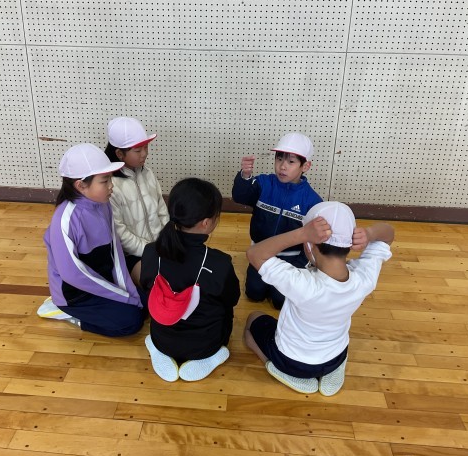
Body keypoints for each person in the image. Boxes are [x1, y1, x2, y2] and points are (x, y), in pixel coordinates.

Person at [244, 201, 394, 395]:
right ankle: (333, 369)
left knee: (253, 319)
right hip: (335, 357)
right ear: (349, 244)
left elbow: (254, 253)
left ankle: (275, 367)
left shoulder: (302, 284)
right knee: (335, 349)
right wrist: (370, 234)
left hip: (291, 362)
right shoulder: (364, 278)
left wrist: (301, 233)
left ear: (309, 245)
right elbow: (389, 234)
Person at [37, 143, 147, 337]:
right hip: (76, 295)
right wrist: (124, 297)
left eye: (110, 178)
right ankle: (65, 312)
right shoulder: (65, 220)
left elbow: (115, 253)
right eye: (105, 181)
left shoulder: (103, 204)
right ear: (81, 185)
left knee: (148, 305)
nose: (111, 185)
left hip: (101, 279)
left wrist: (128, 291)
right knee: (131, 322)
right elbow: (74, 275)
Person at [140, 178, 240, 382]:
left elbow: (145, 286)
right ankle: (212, 357)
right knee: (225, 308)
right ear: (206, 223)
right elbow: (233, 299)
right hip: (206, 345)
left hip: (162, 338)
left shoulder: (151, 252)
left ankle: (157, 348)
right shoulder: (220, 263)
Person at [232, 132, 323, 309]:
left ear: (305, 166)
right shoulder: (264, 183)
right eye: (279, 159)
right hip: (261, 254)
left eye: (291, 162)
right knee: (254, 293)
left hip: (290, 261)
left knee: (280, 302)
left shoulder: (312, 201)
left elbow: (313, 241)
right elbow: (240, 196)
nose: (282, 166)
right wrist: (245, 176)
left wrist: (299, 266)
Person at [104, 117, 168, 287]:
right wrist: (152, 250)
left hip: (161, 246)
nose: (144, 154)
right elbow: (121, 234)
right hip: (132, 255)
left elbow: (162, 210)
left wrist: (166, 240)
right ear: (119, 154)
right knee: (158, 285)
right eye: (138, 150)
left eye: (146, 147)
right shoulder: (111, 186)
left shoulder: (148, 173)